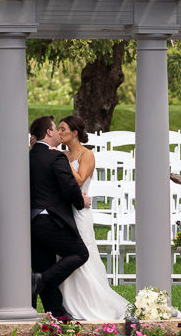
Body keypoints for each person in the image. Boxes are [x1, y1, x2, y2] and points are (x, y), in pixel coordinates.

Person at [55, 116, 130, 322]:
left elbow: (79, 180)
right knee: (65, 256)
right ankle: (69, 303)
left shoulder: (87, 155)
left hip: (80, 211)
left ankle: (93, 303)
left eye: (63, 129)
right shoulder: (63, 154)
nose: (60, 133)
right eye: (59, 130)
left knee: (83, 253)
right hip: (63, 210)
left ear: (75, 132)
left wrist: (63, 161)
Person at [28, 115, 89, 319]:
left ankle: (58, 314)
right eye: (56, 128)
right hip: (52, 220)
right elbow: (69, 187)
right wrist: (81, 202)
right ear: (49, 132)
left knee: (43, 264)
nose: (58, 132)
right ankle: (38, 281)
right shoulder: (56, 157)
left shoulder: (27, 157)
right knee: (80, 253)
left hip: (32, 223)